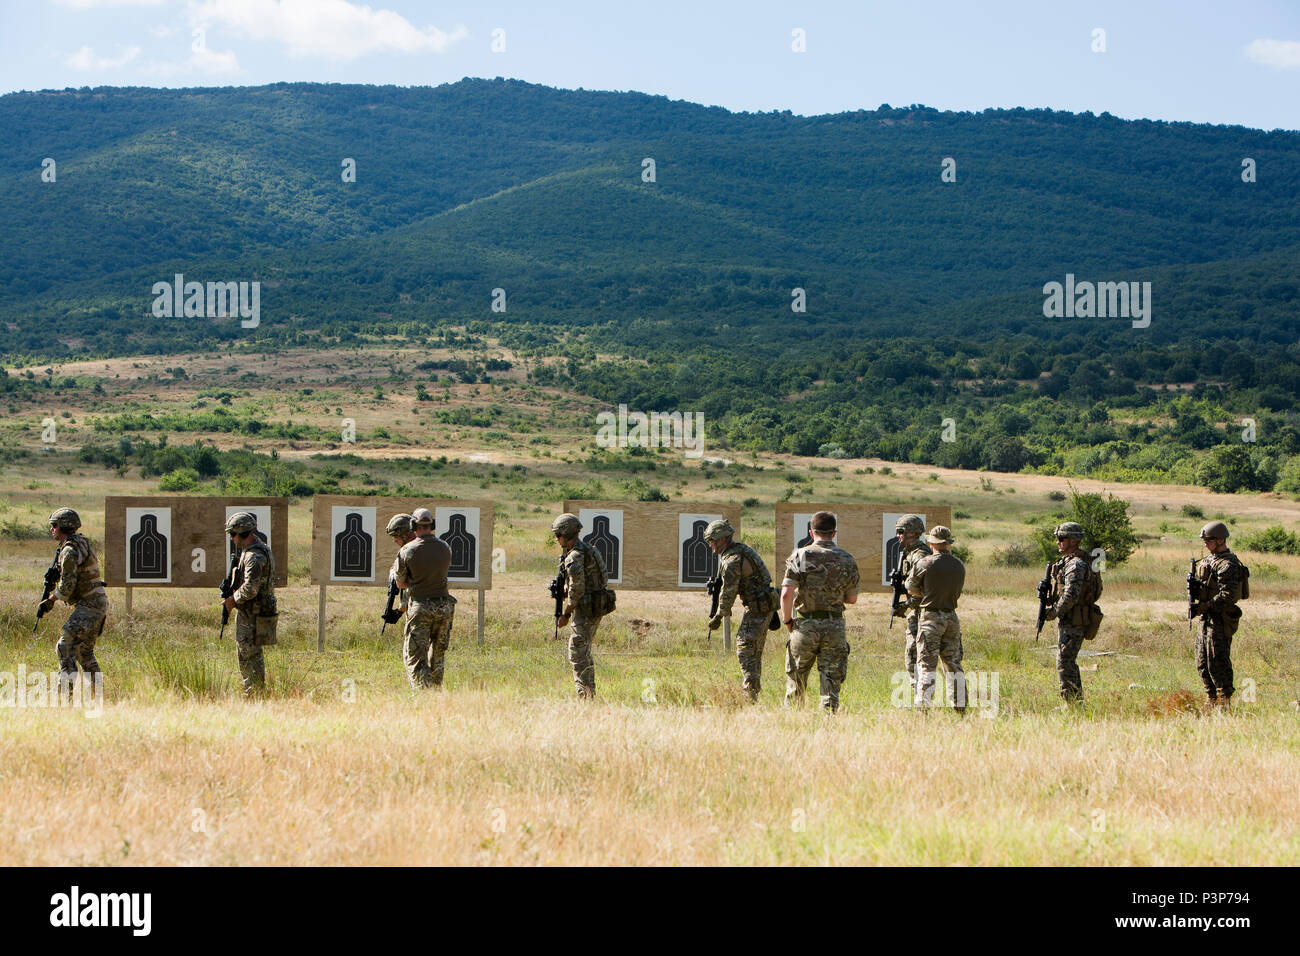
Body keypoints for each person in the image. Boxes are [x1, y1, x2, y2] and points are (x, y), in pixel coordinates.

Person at [779, 511, 860, 713]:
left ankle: (792, 720)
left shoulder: (801, 555)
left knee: (796, 679)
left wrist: (788, 620)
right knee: (831, 681)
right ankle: (829, 719)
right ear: (834, 533)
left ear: (811, 532)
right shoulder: (847, 559)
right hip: (834, 626)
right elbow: (852, 598)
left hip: (805, 625)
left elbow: (786, 594)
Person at [705, 518, 778, 702]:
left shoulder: (732, 561)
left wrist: (719, 616)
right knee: (753, 651)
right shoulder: (741, 550)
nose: (711, 545)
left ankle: (750, 696)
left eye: (712, 541)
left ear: (722, 539)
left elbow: (728, 592)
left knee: (745, 648)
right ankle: (752, 693)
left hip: (758, 608)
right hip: (762, 606)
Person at [39, 508, 107, 701]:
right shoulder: (81, 543)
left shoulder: (68, 550)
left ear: (63, 527)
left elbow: (68, 587)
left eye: (54, 525)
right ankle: (97, 696)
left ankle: (64, 697)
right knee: (84, 653)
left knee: (65, 647)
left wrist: (50, 601)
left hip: (89, 604)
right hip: (97, 603)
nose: (52, 529)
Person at [389, 511, 455, 688]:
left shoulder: (407, 551)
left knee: (416, 657)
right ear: (431, 525)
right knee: (438, 655)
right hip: (445, 607)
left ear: (413, 526)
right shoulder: (445, 547)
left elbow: (401, 583)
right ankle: (436, 692)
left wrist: (416, 580)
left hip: (420, 607)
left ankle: (423, 696)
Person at [906, 525, 965, 711]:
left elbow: (910, 587)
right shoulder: (959, 565)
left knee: (926, 665)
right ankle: (959, 705)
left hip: (930, 617)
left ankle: (923, 707)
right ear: (948, 543)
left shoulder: (925, 563)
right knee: (953, 664)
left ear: (931, 542)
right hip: (951, 617)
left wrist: (925, 592)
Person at [1041, 522, 1102, 703]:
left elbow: (1071, 595)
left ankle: (1072, 703)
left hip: (1075, 620)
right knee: (1066, 660)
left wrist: (1054, 612)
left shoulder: (1076, 565)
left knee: (1065, 661)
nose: (1058, 542)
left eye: (1062, 539)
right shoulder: (1068, 562)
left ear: (1073, 541)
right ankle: (1074, 701)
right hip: (1071, 618)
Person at [552, 513, 611, 699]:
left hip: (585, 609)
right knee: (583, 650)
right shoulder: (589, 550)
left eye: (558, 535)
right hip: (596, 605)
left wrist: (566, 614)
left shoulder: (574, 557)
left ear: (565, 534)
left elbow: (576, 591)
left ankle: (585, 695)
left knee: (577, 652)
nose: (557, 539)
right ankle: (588, 692)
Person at [222, 511, 277, 697]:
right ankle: (257, 692)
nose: (232, 538)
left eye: (233, 534)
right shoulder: (263, 549)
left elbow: (251, 588)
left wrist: (232, 600)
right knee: (255, 655)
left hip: (252, 613)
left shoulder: (253, 556)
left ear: (242, 533)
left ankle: (253, 695)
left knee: (248, 655)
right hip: (263, 609)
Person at [1192, 520, 1246, 708]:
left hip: (1221, 619)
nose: (1206, 544)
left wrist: (1207, 605)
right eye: (1205, 541)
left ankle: (1224, 701)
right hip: (1206, 618)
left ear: (1220, 540)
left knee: (1218, 660)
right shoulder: (1208, 561)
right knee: (1202, 661)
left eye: (1209, 541)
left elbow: (1228, 595)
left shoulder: (1228, 563)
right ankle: (1211, 698)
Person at [891, 514, 932, 698]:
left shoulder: (919, 555)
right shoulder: (910, 553)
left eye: (901, 532)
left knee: (914, 656)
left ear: (913, 533)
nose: (898, 536)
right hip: (918, 611)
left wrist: (905, 606)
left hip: (921, 612)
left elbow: (923, 591)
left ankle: (920, 697)